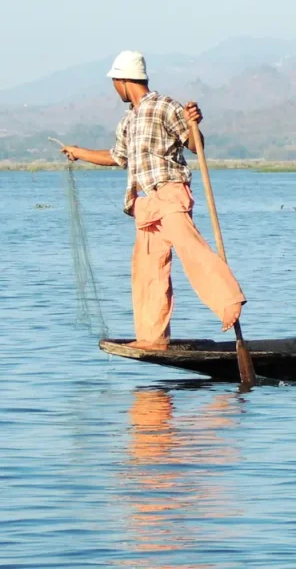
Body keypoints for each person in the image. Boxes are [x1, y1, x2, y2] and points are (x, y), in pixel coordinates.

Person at [61, 51, 245, 350]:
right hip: (145, 204)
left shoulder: (164, 105)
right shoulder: (128, 120)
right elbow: (118, 157)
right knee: (148, 272)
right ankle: (152, 338)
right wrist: (79, 152)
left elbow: (194, 144)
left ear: (122, 81)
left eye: (114, 82)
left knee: (192, 251)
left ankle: (229, 302)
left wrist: (194, 122)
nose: (114, 88)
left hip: (170, 192)